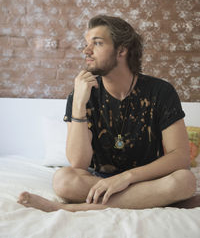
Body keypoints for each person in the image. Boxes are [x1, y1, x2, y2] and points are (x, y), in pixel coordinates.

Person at [18, 15, 196, 212]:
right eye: (86, 44)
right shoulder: (81, 95)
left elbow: (180, 157)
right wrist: (78, 104)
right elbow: (79, 162)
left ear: (121, 50)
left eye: (97, 43)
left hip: (149, 178)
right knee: (64, 180)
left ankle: (73, 209)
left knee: (185, 179)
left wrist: (126, 178)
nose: (86, 50)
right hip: (100, 181)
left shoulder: (160, 92)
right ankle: (155, 199)